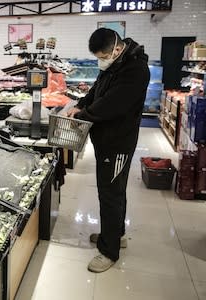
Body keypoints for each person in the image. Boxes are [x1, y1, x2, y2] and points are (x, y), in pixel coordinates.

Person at [67, 28, 150, 273]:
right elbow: (97, 90)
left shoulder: (135, 70)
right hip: (107, 140)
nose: (101, 61)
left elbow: (113, 103)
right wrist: (81, 103)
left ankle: (109, 251)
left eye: (104, 56)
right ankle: (115, 234)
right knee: (115, 189)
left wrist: (84, 114)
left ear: (116, 48)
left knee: (110, 193)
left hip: (118, 142)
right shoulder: (116, 65)